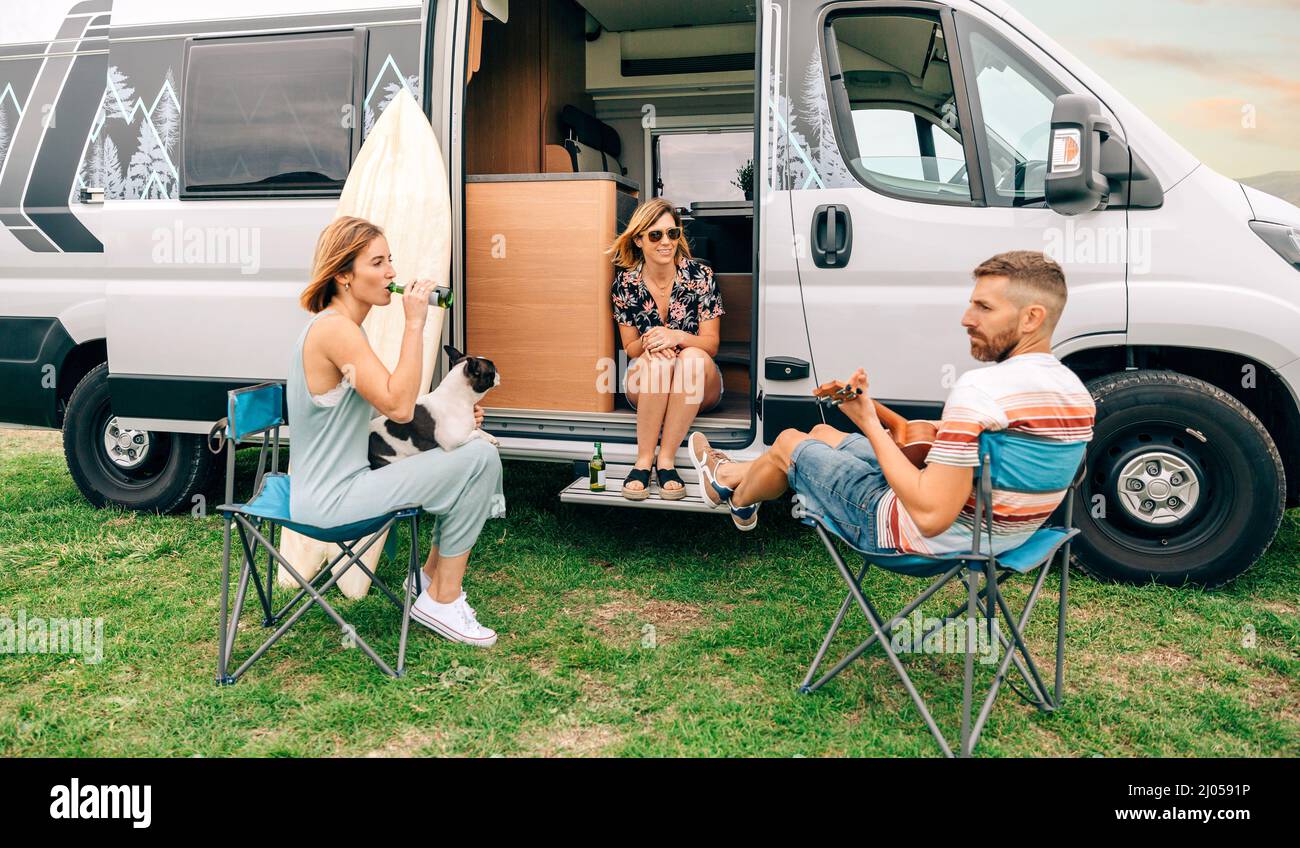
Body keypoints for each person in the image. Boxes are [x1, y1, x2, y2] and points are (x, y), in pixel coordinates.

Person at [689, 250, 1096, 556]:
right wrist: (874, 411)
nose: (966, 318)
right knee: (823, 432)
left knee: (790, 442)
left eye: (983, 307)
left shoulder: (981, 392)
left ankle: (734, 493)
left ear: (1031, 318)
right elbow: (934, 447)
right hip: (1008, 537)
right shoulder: (1075, 392)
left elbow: (930, 516)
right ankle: (731, 475)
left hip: (915, 534)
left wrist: (868, 423)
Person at [289, 215, 504, 647]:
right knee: (480, 458)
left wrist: (456, 414)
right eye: (378, 263)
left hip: (337, 486)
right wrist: (414, 324)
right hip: (333, 500)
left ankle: (428, 582)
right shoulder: (336, 331)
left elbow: (392, 408)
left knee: (465, 453)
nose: (392, 273)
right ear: (344, 276)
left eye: (391, 261)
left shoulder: (340, 328)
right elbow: (401, 407)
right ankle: (441, 599)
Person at [609, 198, 725, 500]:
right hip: (649, 377)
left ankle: (666, 460)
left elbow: (711, 344)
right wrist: (648, 344)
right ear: (638, 239)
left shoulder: (700, 276)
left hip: (698, 379)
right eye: (655, 235)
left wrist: (676, 336)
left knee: (692, 357)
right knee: (658, 361)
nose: (666, 242)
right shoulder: (625, 284)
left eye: (672, 234)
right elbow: (630, 348)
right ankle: (644, 460)